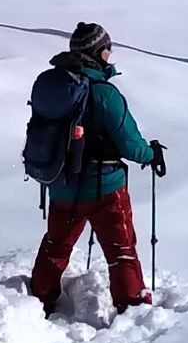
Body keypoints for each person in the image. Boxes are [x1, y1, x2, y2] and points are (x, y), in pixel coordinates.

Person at [28, 22, 165, 316]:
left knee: (56, 246)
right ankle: (132, 307)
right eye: (107, 49)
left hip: (61, 184)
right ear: (98, 52)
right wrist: (150, 153)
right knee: (121, 251)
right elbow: (129, 144)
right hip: (106, 187)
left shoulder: (54, 86)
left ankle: (38, 298)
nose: (110, 54)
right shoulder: (104, 94)